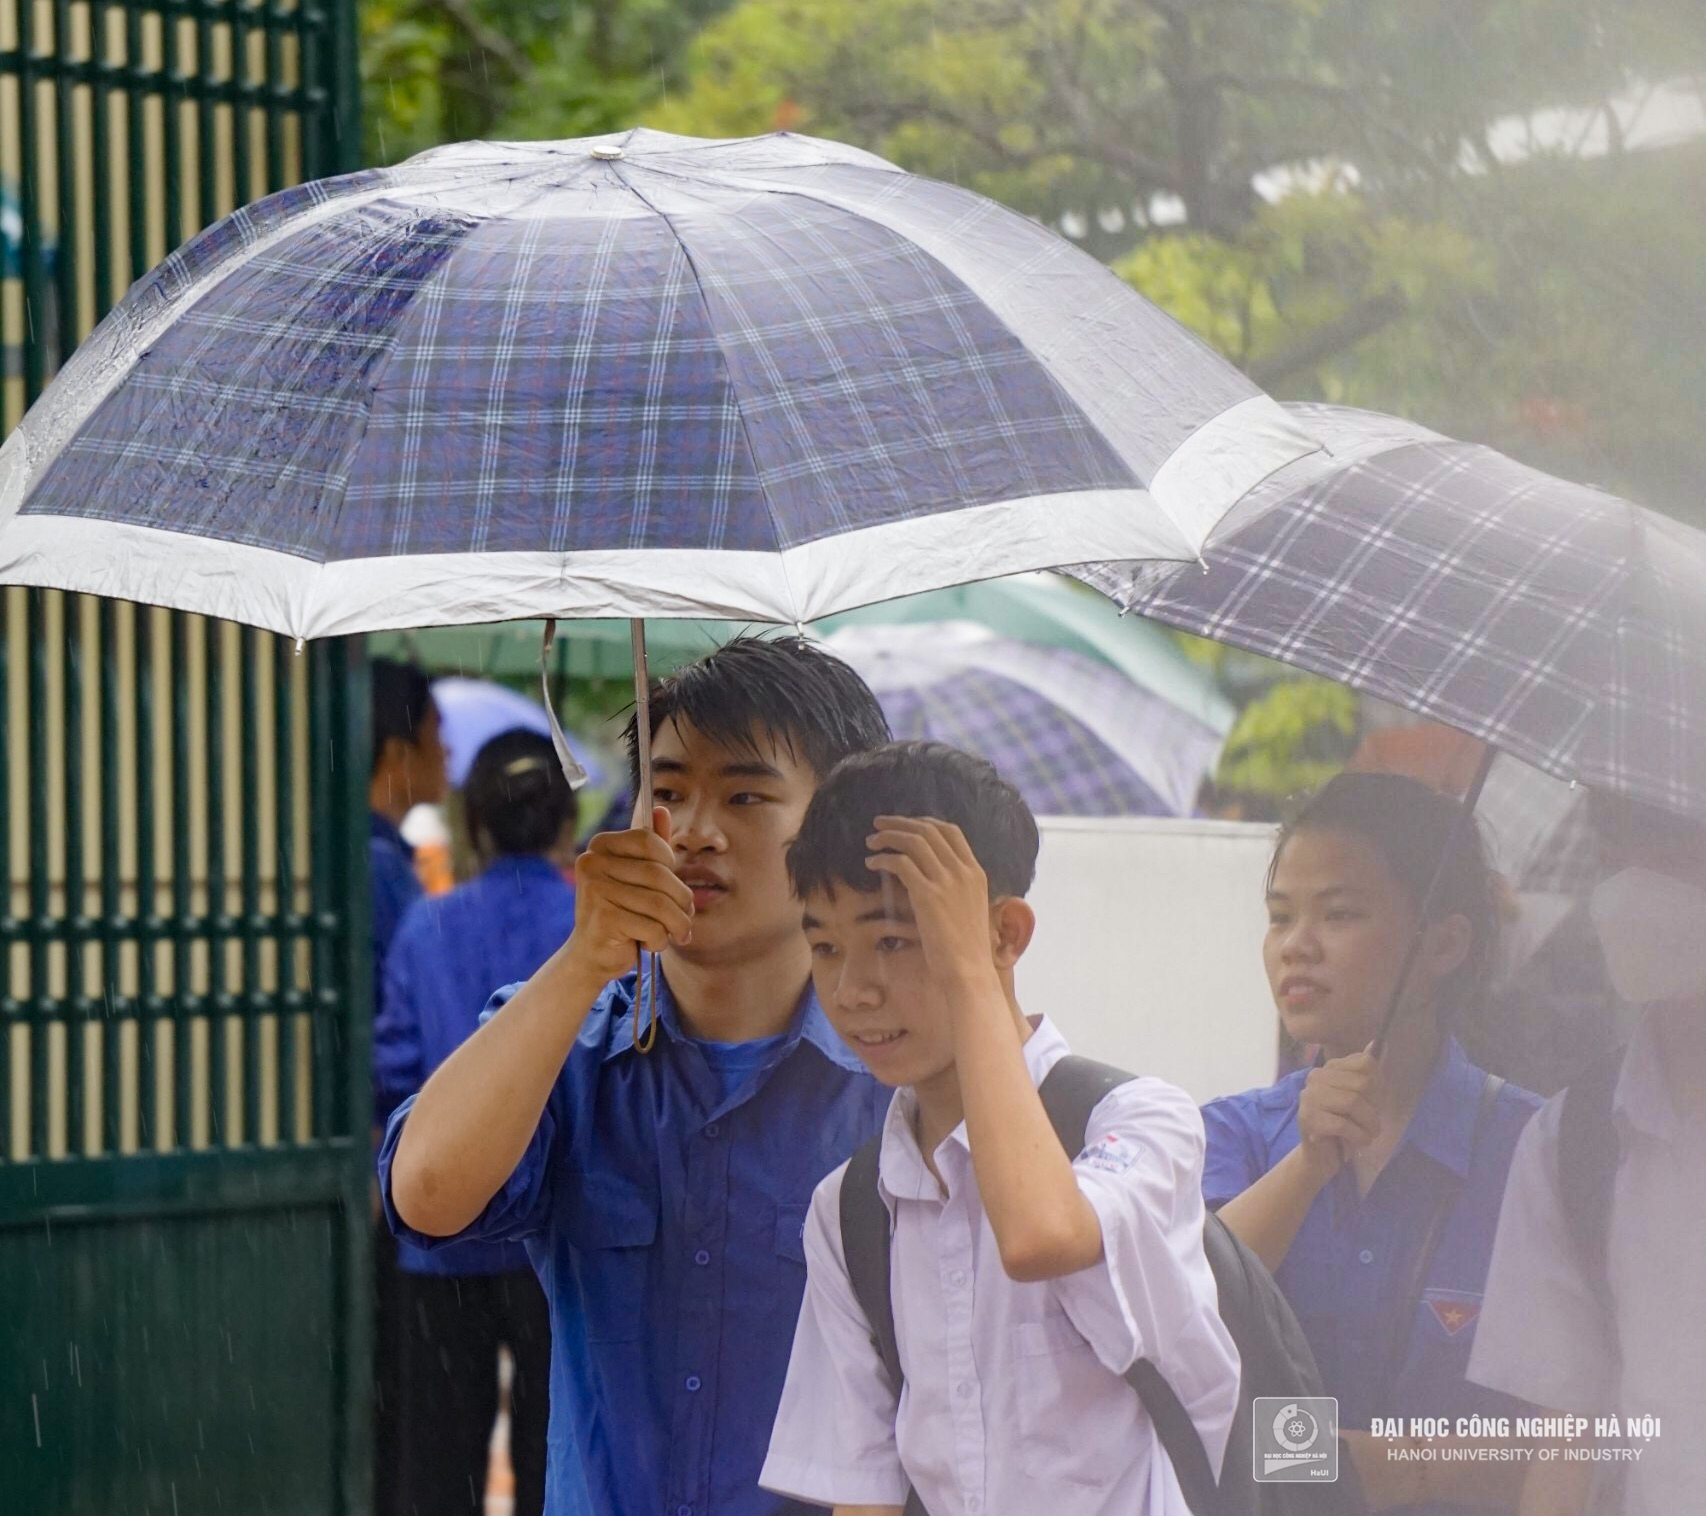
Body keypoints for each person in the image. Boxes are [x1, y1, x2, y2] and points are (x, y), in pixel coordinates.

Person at [379, 636, 893, 1516]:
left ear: (838, 825)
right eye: (669, 790)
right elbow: (425, 1197)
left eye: (744, 794)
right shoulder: (567, 1044)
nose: (693, 830)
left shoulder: (896, 1081)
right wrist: (584, 960)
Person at [761, 741, 1240, 1515]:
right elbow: (865, 1493)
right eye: (824, 947)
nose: (852, 990)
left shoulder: (1139, 1121)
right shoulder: (852, 1210)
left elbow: (1040, 1234)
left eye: (893, 941)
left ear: (1006, 935)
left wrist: (966, 969)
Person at [1201, 772, 1541, 1513]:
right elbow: (1176, 1324)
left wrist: (1382, 1465)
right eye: (1279, 915)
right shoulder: (1230, 1133)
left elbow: (1579, 1438)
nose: (1296, 947)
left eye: (1340, 914)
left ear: (1445, 942)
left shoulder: (1532, 1151)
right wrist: (1307, 1166)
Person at [1469, 794, 1706, 1516]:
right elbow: (1564, 1440)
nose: (1628, 896)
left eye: (1669, 862)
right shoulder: (1573, 1142)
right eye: (1614, 863)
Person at [376, 729, 583, 1516]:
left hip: (441, 1234)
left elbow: (393, 1071)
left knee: (440, 1463)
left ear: (478, 825)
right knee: (555, 1453)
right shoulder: (591, 926)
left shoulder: (429, 926)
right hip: (559, 1240)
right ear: (564, 823)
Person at [369, 657, 450, 1515]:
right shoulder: (390, 881)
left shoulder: (395, 875)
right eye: (435, 737)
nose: (448, 755)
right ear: (398, 750)